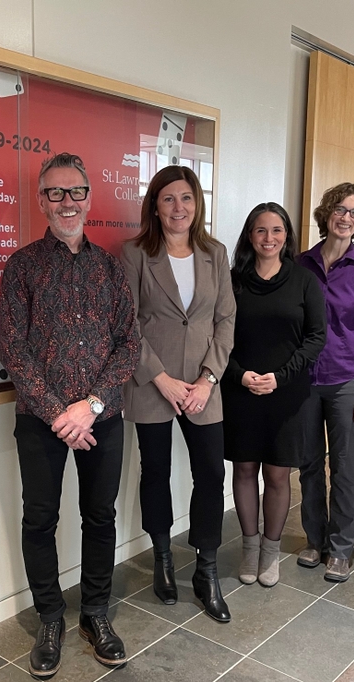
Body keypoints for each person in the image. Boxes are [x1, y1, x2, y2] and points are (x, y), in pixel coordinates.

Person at [0, 153, 140, 678]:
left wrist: (91, 406)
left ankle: (96, 614)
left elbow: (129, 344)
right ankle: (52, 617)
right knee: (41, 519)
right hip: (42, 422)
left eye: (75, 192)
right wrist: (61, 414)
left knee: (101, 517)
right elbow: (13, 348)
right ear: (41, 201)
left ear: (88, 197)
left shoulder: (109, 269)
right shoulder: (22, 266)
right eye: (55, 193)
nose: (66, 203)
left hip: (101, 419)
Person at [121, 165, 236, 622]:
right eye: (168, 199)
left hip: (204, 388)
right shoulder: (133, 254)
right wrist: (160, 378)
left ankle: (206, 569)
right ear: (155, 205)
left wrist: (208, 378)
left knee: (210, 473)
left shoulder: (215, 252)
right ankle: (163, 558)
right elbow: (126, 324)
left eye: (186, 198)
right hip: (153, 384)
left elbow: (225, 321)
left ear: (197, 203)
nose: (178, 208)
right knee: (156, 473)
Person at [222, 203, 326, 587]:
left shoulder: (304, 281)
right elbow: (216, 337)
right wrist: (240, 375)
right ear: (250, 235)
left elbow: (317, 337)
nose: (269, 238)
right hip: (241, 390)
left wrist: (280, 378)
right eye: (261, 230)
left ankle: (271, 549)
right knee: (245, 469)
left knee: (278, 475)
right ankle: (249, 548)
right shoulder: (232, 281)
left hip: (287, 393)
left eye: (277, 230)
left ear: (287, 236)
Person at [297, 182, 354, 583]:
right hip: (305, 380)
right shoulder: (301, 264)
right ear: (326, 214)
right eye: (340, 209)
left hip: (347, 378)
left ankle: (341, 548)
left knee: (345, 467)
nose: (346, 218)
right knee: (310, 465)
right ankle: (315, 540)